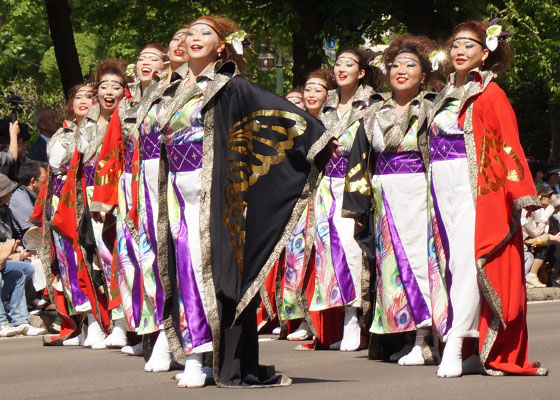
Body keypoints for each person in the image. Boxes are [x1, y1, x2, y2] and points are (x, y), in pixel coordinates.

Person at [146, 15, 329, 388]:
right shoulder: (174, 89)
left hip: (214, 192)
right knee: (183, 269)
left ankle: (199, 356)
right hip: (176, 191)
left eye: (206, 34)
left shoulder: (230, 86)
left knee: (206, 271)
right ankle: (200, 352)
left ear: (222, 45)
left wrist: (317, 138)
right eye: (191, 32)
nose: (195, 38)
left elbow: (278, 110)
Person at [427, 20, 546, 377]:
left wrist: (519, 199)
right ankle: (467, 345)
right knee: (445, 265)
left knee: (466, 264)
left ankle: (455, 342)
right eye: (456, 44)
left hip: (471, 188)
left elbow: (509, 146)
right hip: (439, 188)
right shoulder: (443, 93)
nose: (460, 51)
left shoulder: (490, 93)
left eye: (469, 45)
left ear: (484, 52)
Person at [343, 34, 438, 365]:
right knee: (390, 267)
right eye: (396, 65)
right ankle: (408, 335)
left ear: (423, 76)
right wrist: (356, 205)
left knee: (422, 264)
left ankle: (427, 337)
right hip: (384, 196)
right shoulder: (373, 112)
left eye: (410, 65)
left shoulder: (431, 108)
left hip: (419, 193)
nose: (401, 70)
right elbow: (359, 160)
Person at [91, 42, 172, 358]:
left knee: (156, 259)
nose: (146, 62)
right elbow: (110, 152)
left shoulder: (169, 97)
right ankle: (137, 329)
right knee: (127, 261)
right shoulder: (125, 107)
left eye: (153, 58)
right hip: (129, 189)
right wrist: (105, 197)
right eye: (141, 58)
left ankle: (165, 332)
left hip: (158, 183)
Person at [301, 47, 375, 352]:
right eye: (338, 63)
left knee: (351, 250)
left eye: (349, 64)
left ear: (361, 73)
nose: (341, 68)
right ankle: (336, 318)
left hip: (355, 183)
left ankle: (353, 318)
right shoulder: (327, 104)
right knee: (328, 252)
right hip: (325, 184)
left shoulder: (371, 103)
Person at [32, 84, 97, 346]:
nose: (83, 101)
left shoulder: (99, 128)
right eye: (78, 96)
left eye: (89, 97)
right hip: (59, 199)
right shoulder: (62, 131)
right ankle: (77, 322)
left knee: (87, 260)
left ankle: (96, 322)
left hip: (83, 197)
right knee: (66, 263)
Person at [0, 175, 46, 337]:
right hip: (3, 255)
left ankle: (20, 321)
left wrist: (19, 250)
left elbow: (11, 237)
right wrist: (9, 254)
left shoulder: (5, 210)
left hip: (7, 253)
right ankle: (1, 322)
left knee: (23, 271)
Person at [9, 161, 47, 240]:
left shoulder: (32, 196)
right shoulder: (21, 199)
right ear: (33, 181)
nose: (48, 183)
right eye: (45, 179)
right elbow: (35, 235)